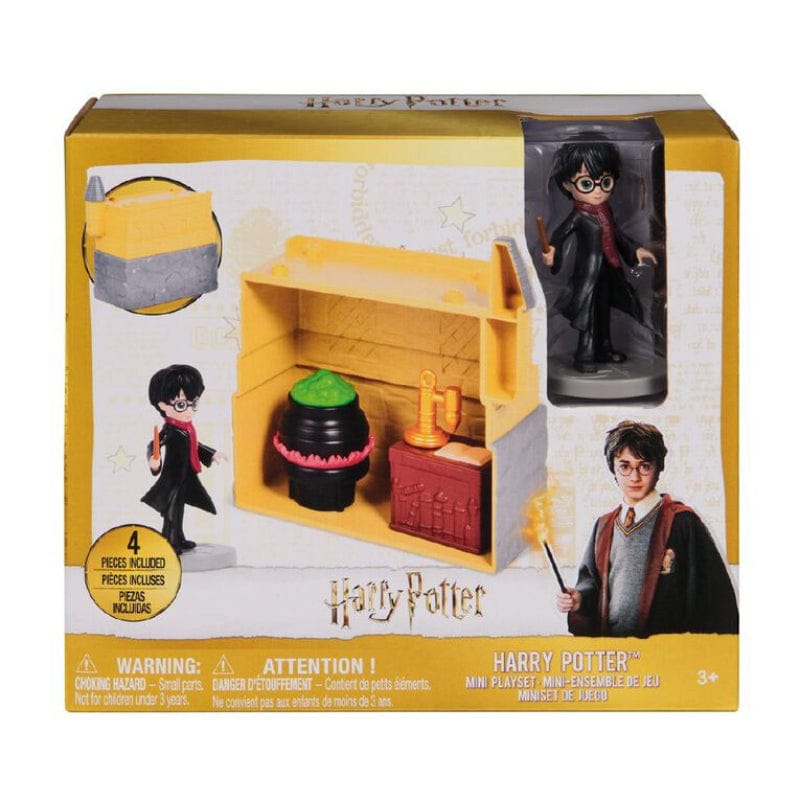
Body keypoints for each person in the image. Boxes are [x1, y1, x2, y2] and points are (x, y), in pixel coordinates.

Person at [556, 421, 738, 637]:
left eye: (644, 466)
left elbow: (715, 598)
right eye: (625, 466)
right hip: (618, 651)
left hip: (665, 651)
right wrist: (580, 600)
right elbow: (593, 586)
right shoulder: (603, 527)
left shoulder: (683, 523)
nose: (635, 477)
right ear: (613, 468)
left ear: (658, 467)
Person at [542, 138, 657, 373]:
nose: (598, 191)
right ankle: (584, 355)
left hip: (608, 270)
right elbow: (559, 236)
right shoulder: (579, 216)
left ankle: (604, 348)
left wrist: (635, 250)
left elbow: (615, 234)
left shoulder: (606, 211)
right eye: (586, 184)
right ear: (567, 185)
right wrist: (552, 253)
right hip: (588, 274)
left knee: (604, 311)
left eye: (605, 182)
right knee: (588, 316)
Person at [141, 364, 223, 553]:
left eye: (194, 403)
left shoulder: (187, 429)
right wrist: (154, 461)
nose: (189, 410)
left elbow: (195, 446)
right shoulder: (170, 430)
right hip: (173, 479)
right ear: (162, 405)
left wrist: (211, 454)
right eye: (181, 405)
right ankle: (169, 541)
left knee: (179, 510)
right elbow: (153, 445)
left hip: (185, 476)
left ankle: (178, 537)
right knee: (171, 512)